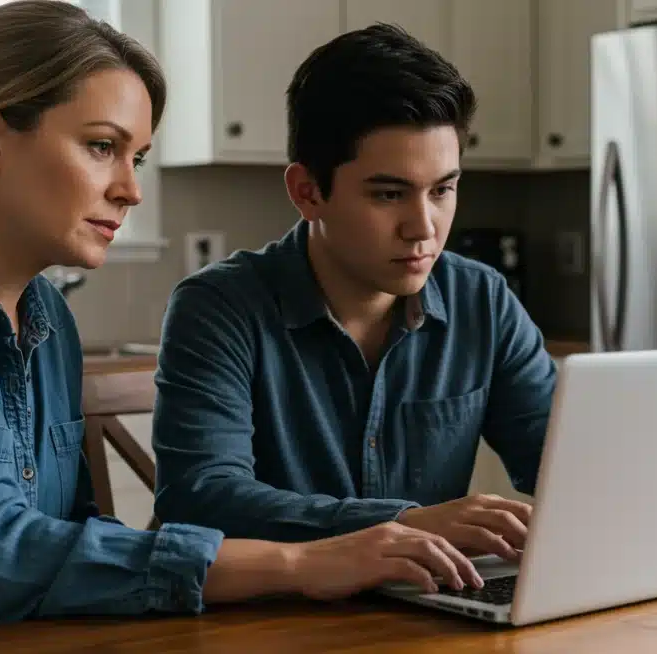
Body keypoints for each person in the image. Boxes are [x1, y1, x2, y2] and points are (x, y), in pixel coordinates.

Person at [0, 4, 481, 652]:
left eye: (138, 157)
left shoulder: (46, 314)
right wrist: (306, 564)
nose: (129, 190)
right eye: (100, 146)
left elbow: (74, 538)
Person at [151, 24, 556, 561]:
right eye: (389, 194)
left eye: (443, 190)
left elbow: (564, 465)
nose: (423, 227)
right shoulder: (219, 308)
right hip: (271, 624)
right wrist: (401, 524)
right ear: (307, 192)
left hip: (431, 618)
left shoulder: (482, 299)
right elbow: (201, 499)